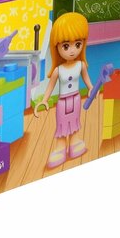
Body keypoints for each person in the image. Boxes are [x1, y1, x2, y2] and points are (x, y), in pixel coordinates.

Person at [34, 12, 94, 169]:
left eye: (78, 44)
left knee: (74, 122)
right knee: (62, 125)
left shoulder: (81, 65)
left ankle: (74, 143)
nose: (72, 50)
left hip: (76, 99)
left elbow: (87, 80)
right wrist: (44, 100)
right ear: (57, 47)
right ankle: (60, 148)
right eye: (66, 46)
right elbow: (50, 86)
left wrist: (91, 88)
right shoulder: (58, 70)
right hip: (62, 102)